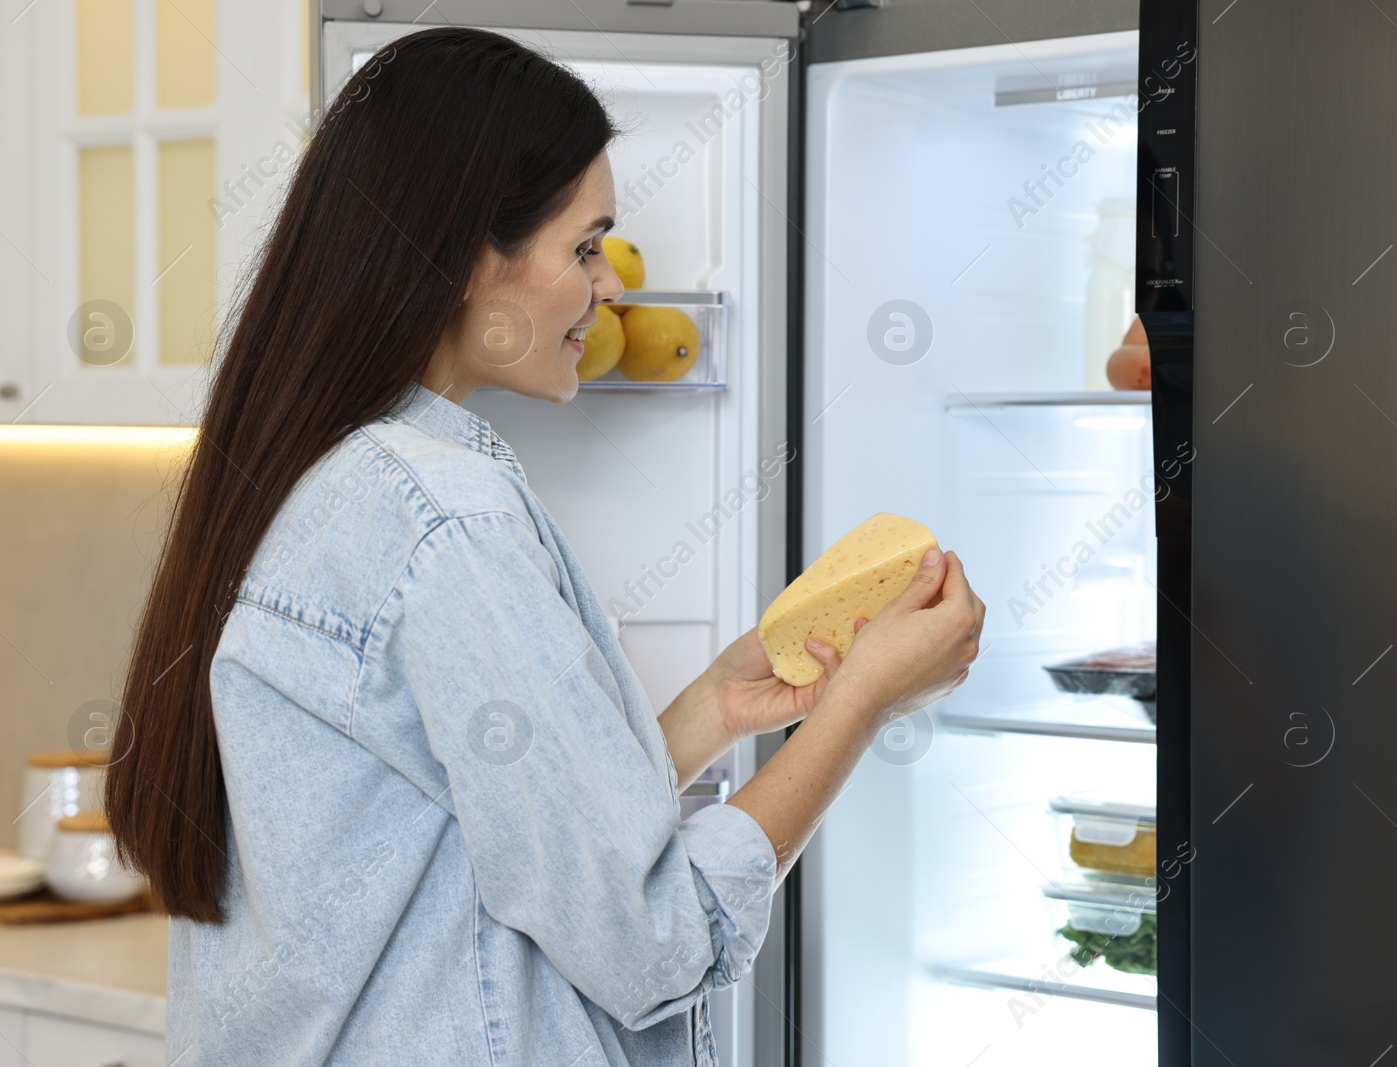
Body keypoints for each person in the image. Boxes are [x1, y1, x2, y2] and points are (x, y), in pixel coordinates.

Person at [105, 26, 984, 1066]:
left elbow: (485, 836)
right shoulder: (445, 518)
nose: (607, 286)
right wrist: (858, 705)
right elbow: (654, 940)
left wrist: (710, 709)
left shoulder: (314, 472)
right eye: (583, 246)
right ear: (470, 255)